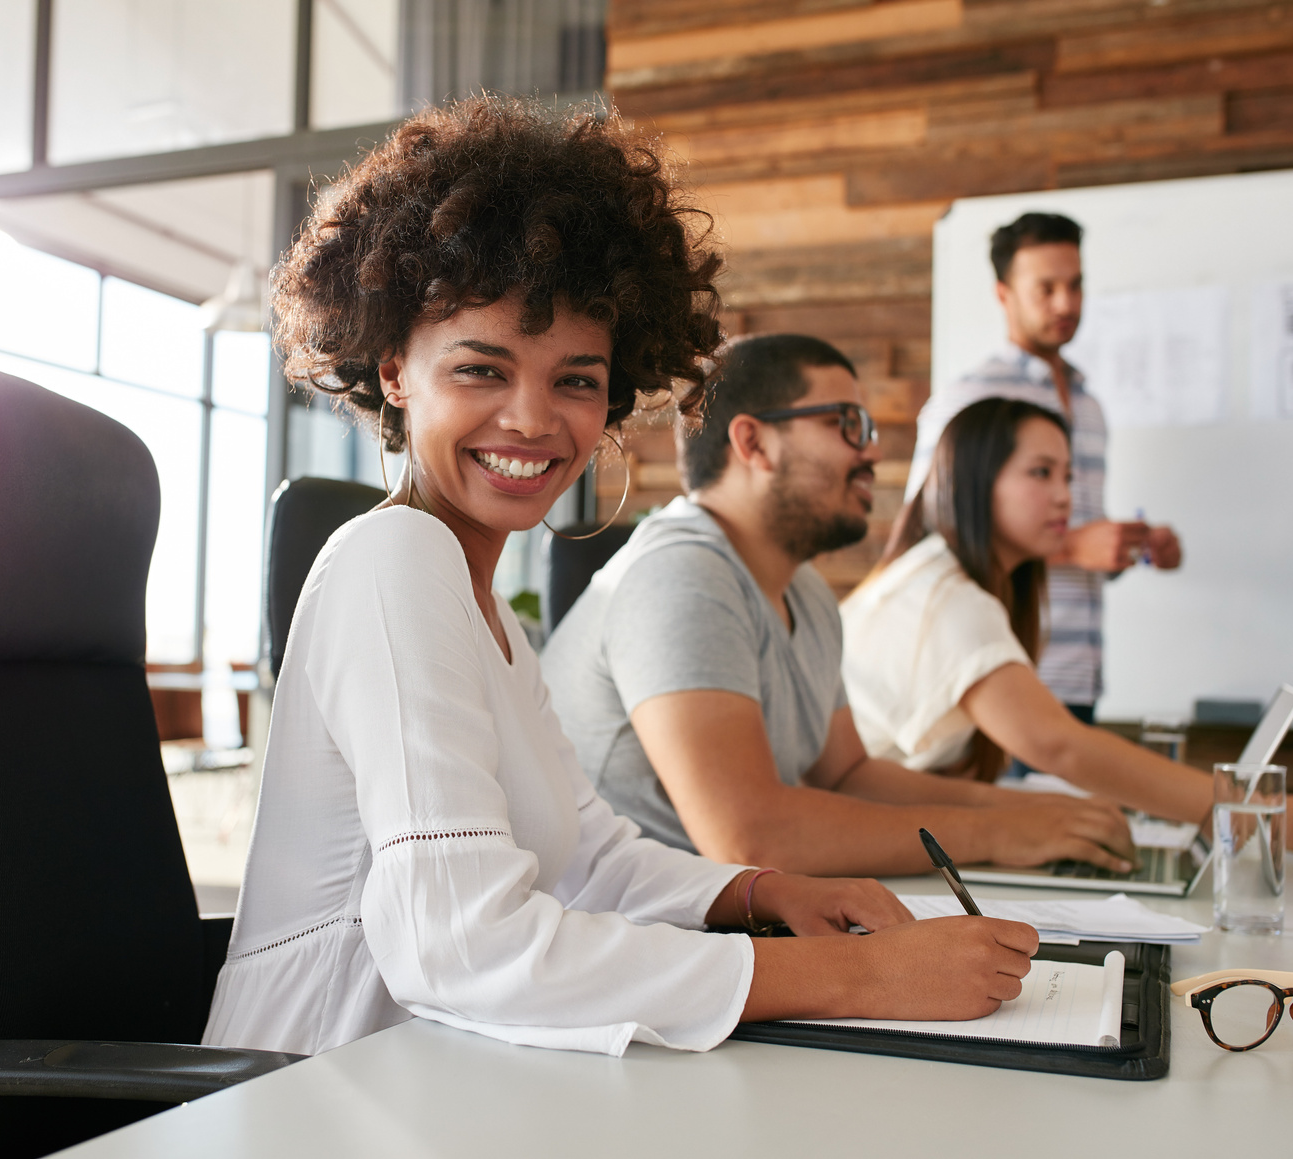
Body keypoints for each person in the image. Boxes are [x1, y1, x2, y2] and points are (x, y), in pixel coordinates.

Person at [203, 99, 1038, 1060]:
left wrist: (759, 891)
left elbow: (589, 853)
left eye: (575, 380)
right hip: (315, 1093)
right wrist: (864, 976)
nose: (532, 419)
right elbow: (462, 943)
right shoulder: (395, 560)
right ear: (395, 371)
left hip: (442, 1074)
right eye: (481, 369)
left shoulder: (488, 613)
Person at [542, 334, 1137, 878]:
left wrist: (1030, 812)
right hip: (635, 947)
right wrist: (997, 831)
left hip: (719, 926)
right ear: (754, 443)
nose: (872, 451)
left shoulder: (804, 593)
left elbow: (848, 776)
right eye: (847, 424)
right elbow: (750, 838)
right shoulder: (680, 575)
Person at [843, 396, 1293, 856]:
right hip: (846, 841)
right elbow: (1059, 746)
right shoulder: (948, 597)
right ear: (977, 481)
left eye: (1068, 476)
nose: (1064, 495)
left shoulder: (942, 575)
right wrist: (1246, 809)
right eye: (1040, 472)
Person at [908, 212, 1178, 725]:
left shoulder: (1090, 406)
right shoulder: (971, 398)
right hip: (999, 670)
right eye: (1046, 288)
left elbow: (1062, 530)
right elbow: (928, 531)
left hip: (1080, 676)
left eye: (1076, 286)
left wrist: (1128, 546)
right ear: (1003, 294)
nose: (1067, 304)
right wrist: (1075, 545)